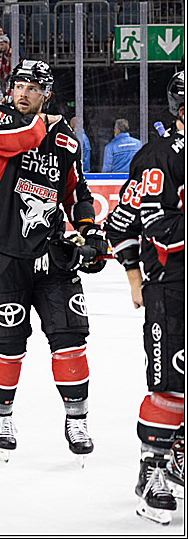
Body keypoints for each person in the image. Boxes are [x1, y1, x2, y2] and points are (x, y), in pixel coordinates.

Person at [0, 60, 107, 462]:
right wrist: (50, 122)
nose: (24, 93)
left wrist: (88, 229)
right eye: (19, 85)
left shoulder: (65, 138)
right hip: (2, 256)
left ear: (46, 93)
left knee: (70, 338)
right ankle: (1, 415)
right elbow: (25, 138)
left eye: (33, 87)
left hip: (51, 255)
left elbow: (76, 191)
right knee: (8, 346)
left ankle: (77, 418)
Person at [105, 72, 185, 525]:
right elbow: (128, 226)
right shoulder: (155, 158)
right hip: (172, 286)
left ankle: (178, 452)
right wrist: (135, 278)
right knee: (171, 380)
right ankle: (152, 468)